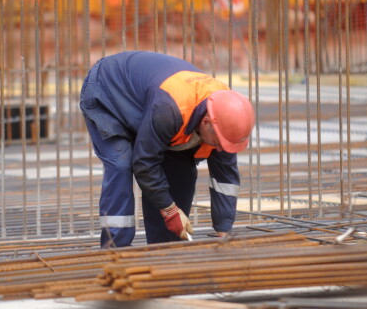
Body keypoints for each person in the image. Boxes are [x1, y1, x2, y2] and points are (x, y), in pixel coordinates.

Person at [79, 51, 255, 248]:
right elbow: (144, 163)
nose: (222, 149)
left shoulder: (226, 117)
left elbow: (225, 180)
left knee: (180, 170)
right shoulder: (170, 110)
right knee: (121, 164)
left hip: (147, 104)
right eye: (219, 142)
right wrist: (170, 210)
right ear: (206, 122)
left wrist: (224, 232)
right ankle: (115, 250)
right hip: (108, 92)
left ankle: (165, 249)